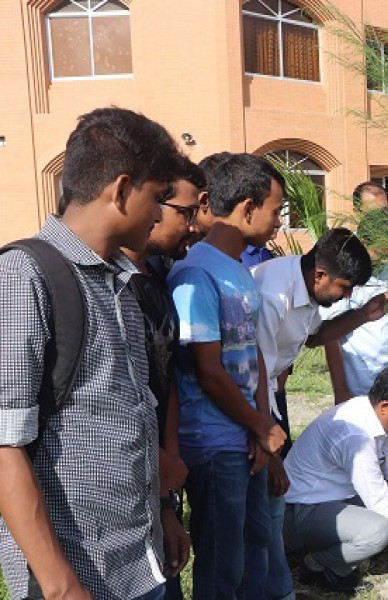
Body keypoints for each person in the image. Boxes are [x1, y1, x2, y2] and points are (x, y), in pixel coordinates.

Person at [0, 107, 183, 599]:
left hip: (140, 562)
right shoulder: (26, 276)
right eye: (158, 198)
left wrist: (164, 509)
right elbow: (4, 447)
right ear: (121, 190)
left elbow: (134, 415)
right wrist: (61, 587)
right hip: (80, 574)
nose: (163, 215)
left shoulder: (120, 284)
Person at [168, 152, 288, 599]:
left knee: (254, 547)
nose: (278, 221)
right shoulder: (195, 272)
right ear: (248, 207)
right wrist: (259, 426)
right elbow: (208, 369)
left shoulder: (238, 269)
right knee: (223, 565)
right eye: (275, 211)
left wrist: (262, 428)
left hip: (246, 437)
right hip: (214, 443)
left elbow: (251, 353)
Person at [252, 226, 384, 600]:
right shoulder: (273, 291)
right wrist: (266, 431)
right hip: (252, 403)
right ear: (320, 274)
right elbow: (256, 366)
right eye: (344, 287)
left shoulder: (308, 290)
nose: (347, 295)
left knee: (272, 494)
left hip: (272, 397)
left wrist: (361, 315)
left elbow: (312, 337)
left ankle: (276, 575)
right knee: (266, 493)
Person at [282, 365, 388, 593]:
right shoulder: (355, 438)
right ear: (385, 406)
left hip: (328, 498)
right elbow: (384, 510)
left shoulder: (376, 416)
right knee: (378, 531)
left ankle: (337, 552)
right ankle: (318, 564)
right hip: (300, 510)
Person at [122, 155, 204, 599]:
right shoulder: (104, 287)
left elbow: (164, 381)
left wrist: (168, 497)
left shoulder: (160, 276)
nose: (193, 226)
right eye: (183, 212)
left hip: (160, 479)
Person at [321, 211, 388, 401]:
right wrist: (340, 388)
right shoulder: (346, 274)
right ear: (364, 241)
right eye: (382, 249)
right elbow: (330, 336)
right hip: (360, 384)